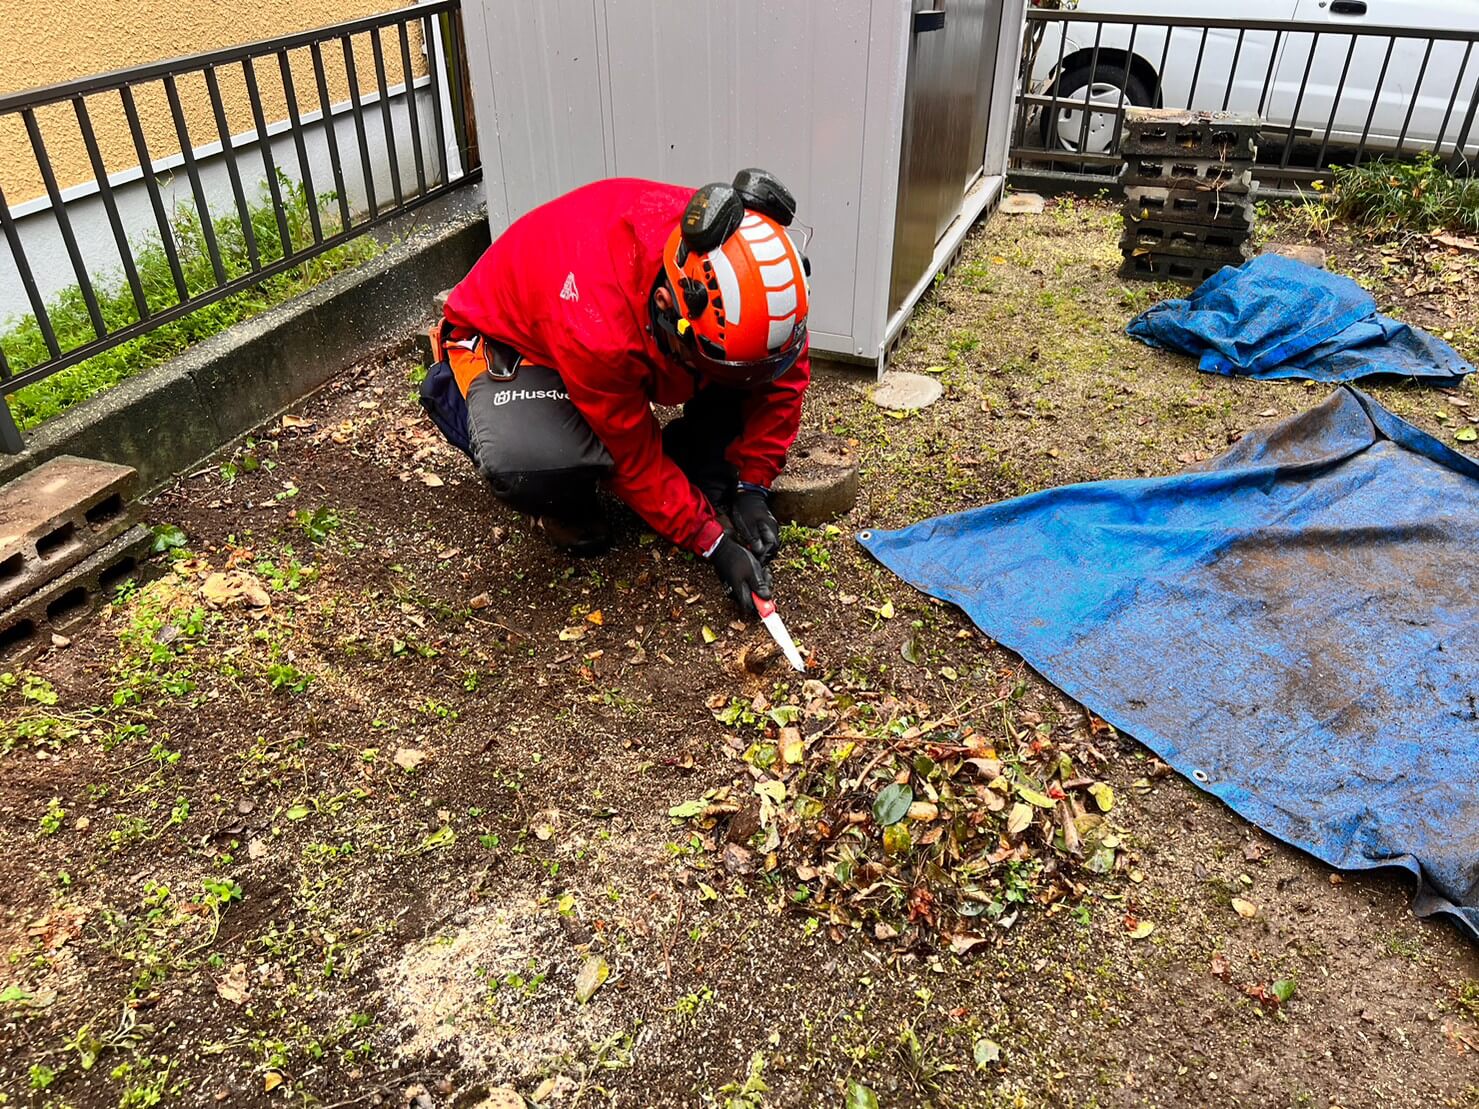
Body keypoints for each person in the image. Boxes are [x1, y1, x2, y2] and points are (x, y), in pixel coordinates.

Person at [419, 170, 812, 618]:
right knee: (535, 462)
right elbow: (632, 453)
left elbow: (782, 376)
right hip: (511, 344)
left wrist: (753, 484)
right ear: (668, 307)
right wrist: (714, 544)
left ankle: (692, 470)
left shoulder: (753, 268)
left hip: (614, 331)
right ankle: (551, 487)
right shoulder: (597, 325)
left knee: (734, 392)